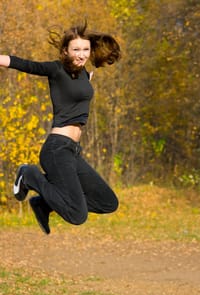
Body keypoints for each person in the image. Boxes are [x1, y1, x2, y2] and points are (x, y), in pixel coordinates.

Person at [0, 21, 121, 234]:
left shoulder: (85, 75)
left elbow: (79, 90)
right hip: (57, 149)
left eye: (85, 49)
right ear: (66, 51)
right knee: (77, 215)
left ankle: (44, 203)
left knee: (107, 202)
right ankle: (29, 175)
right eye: (76, 50)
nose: (81, 54)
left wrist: (87, 79)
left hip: (73, 152)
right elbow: (23, 64)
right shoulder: (56, 69)